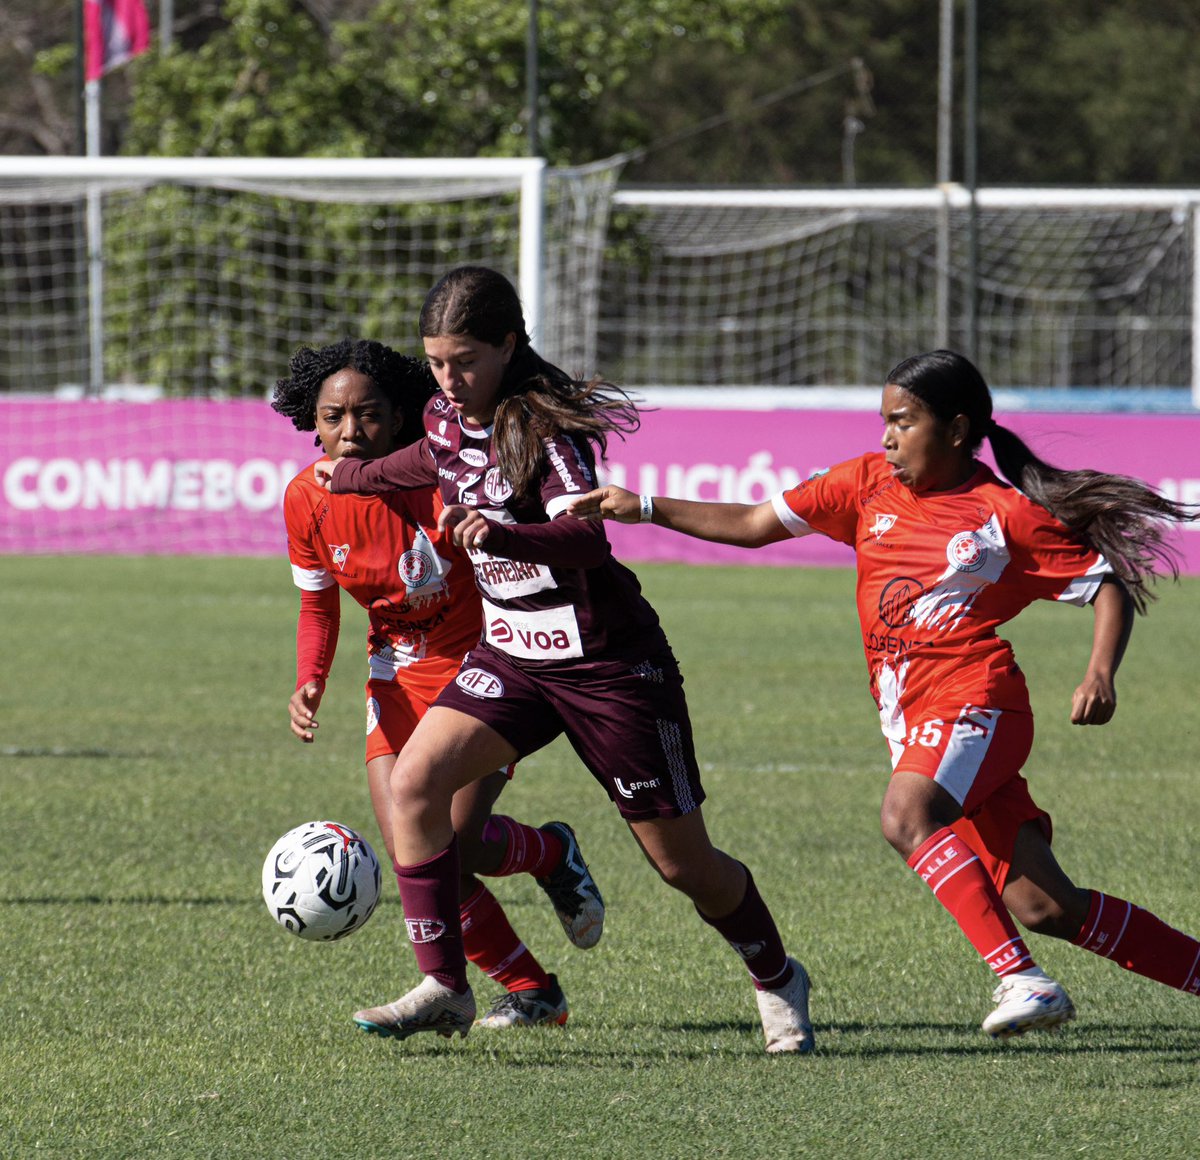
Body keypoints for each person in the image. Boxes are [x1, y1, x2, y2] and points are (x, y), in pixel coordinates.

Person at [568, 347, 1200, 1041]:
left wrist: (1100, 672)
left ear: (957, 430)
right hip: (915, 718)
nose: (887, 438)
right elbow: (752, 525)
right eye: (884, 423)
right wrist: (646, 507)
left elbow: (1105, 583)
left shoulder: (1002, 513)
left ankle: (1023, 980)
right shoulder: (866, 483)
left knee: (905, 815)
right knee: (1047, 905)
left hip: (976, 701)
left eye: (903, 422)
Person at [316, 267, 814, 1053]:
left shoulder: (543, 430)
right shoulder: (445, 416)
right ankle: (445, 985)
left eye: (467, 360)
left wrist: (498, 533)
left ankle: (778, 976)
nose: (450, 379)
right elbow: (429, 461)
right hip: (514, 657)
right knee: (414, 787)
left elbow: (587, 537)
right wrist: (354, 475)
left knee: (683, 865)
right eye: (438, 362)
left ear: (509, 346)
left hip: (610, 667)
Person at [272, 337, 606, 1031]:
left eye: (368, 415)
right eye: (334, 417)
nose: (350, 431)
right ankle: (527, 989)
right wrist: (310, 681)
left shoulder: (442, 481)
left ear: (401, 419)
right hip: (394, 675)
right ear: (313, 420)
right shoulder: (306, 498)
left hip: (485, 668)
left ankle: (548, 853)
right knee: (413, 848)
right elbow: (317, 603)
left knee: (455, 838)